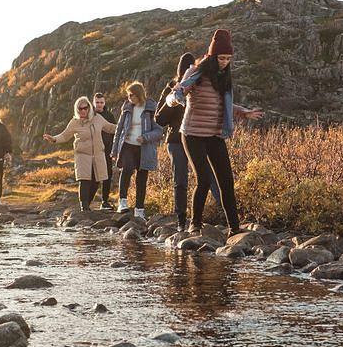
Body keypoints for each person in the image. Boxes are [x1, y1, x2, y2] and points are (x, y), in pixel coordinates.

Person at [168, 28, 264, 235]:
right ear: (212, 56)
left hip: (215, 134)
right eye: (221, 57)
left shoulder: (224, 78)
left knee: (226, 181)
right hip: (192, 134)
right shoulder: (195, 73)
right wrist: (178, 96)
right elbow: (178, 91)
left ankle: (234, 228)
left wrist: (244, 113)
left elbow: (225, 105)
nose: (225, 62)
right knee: (203, 179)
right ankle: (195, 224)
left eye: (228, 58)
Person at [156, 53, 218, 231]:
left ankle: (219, 215)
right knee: (181, 180)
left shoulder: (203, 84)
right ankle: (181, 220)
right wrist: (174, 99)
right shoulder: (171, 88)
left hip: (199, 137)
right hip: (177, 140)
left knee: (209, 177)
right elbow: (159, 119)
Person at [43, 96, 117, 211]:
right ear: (76, 110)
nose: (83, 110)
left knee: (96, 181)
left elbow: (111, 128)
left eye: (85, 108)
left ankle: (88, 203)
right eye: (80, 109)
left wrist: (127, 128)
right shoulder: (74, 122)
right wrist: (54, 139)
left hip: (98, 155)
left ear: (89, 108)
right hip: (82, 155)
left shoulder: (98, 119)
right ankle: (84, 207)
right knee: (84, 180)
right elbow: (64, 135)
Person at [111, 81, 163, 218]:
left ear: (139, 94)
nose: (129, 98)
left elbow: (159, 130)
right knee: (127, 169)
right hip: (127, 144)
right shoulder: (127, 107)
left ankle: (139, 209)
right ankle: (122, 202)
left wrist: (145, 137)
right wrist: (114, 150)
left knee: (142, 178)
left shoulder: (152, 108)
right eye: (128, 95)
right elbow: (119, 129)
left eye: (131, 95)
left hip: (144, 148)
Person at [93, 92, 117, 209]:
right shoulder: (89, 115)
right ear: (93, 103)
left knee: (107, 174)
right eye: (97, 102)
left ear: (104, 103)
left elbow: (114, 132)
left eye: (101, 102)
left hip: (107, 149)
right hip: (93, 149)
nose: (99, 105)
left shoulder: (109, 115)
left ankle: (105, 201)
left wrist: (114, 149)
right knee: (93, 176)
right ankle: (86, 202)